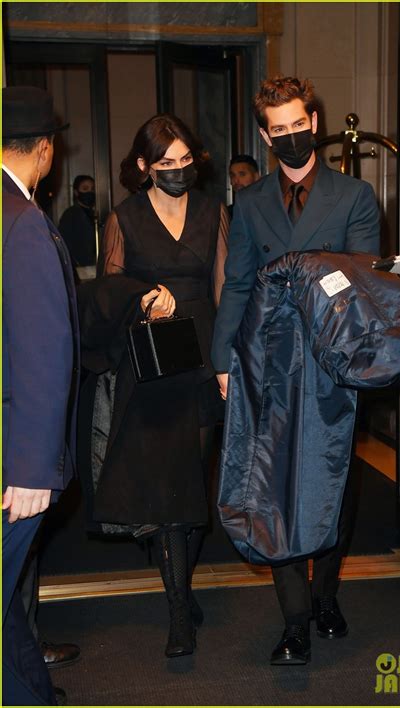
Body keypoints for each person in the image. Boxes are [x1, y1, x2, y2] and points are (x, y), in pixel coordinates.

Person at [211, 76, 380, 665]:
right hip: (268, 361)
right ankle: (296, 623)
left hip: (334, 360)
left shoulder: (354, 196)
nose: (288, 137)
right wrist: (223, 359)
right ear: (265, 134)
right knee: (274, 484)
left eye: (296, 125)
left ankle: (326, 593)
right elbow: (237, 282)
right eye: (275, 130)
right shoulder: (251, 201)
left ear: (314, 121)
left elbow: (363, 279)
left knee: (333, 484)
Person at [78, 113, 229, 659]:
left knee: (195, 485)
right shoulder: (124, 216)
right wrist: (143, 294)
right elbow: (109, 286)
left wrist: (226, 363)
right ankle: (177, 616)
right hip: (153, 363)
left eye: (186, 161)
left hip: (203, 361)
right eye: (166, 163)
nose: (178, 171)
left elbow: (223, 288)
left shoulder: (214, 211)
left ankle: (181, 589)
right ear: (143, 167)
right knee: (169, 492)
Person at [2, 86, 80, 705]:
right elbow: (42, 349)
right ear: (46, 150)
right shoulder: (23, 224)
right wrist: (32, 467)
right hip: (14, 461)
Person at [58, 174, 97, 268]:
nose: (89, 192)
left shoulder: (95, 214)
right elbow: (64, 245)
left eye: (92, 189)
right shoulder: (70, 215)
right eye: (85, 188)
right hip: (79, 270)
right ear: (76, 192)